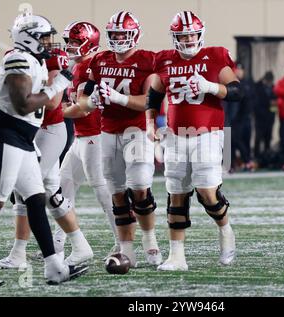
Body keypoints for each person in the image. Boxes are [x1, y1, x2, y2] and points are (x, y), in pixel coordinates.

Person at [0, 11, 87, 287]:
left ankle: (54, 267)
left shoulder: (34, 61)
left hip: (22, 139)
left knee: (35, 199)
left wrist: (55, 83)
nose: (49, 43)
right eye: (43, 38)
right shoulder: (17, 58)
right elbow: (22, 104)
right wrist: (57, 84)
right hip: (2, 135)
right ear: (28, 38)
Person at [146, 11, 241, 271]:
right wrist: (150, 121)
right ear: (174, 37)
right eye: (183, 35)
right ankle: (177, 256)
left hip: (208, 133)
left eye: (191, 34)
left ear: (200, 34)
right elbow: (154, 94)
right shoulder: (164, 60)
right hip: (176, 135)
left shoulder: (215, 56)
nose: (188, 39)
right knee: (175, 192)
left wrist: (211, 87)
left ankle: (225, 230)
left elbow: (237, 91)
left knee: (207, 192)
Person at [0, 44, 93, 269]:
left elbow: (53, 102)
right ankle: (81, 245)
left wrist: (23, 96)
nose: (47, 41)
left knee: (25, 191)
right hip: (33, 130)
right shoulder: (18, 58)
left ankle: (18, 254)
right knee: (51, 194)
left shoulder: (51, 60)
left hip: (49, 131)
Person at [79, 11, 161, 267]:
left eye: (122, 34)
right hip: (107, 131)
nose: (117, 39)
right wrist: (89, 100)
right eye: (114, 34)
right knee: (116, 192)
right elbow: (84, 95)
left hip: (135, 130)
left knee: (139, 187)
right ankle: (126, 250)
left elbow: (150, 99)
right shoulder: (99, 60)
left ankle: (150, 239)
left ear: (134, 35)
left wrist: (119, 98)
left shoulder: (147, 60)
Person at [57, 21, 119, 259]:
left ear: (88, 41)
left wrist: (55, 112)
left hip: (96, 136)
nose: (70, 46)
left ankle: (122, 243)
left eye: (74, 41)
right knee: (62, 188)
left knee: (102, 192)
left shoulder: (92, 66)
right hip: (81, 136)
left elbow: (82, 110)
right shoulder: (75, 67)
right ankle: (58, 244)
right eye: (69, 42)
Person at [253, 71, 276, 167]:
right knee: (258, 139)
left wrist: (272, 116)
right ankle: (256, 159)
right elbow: (255, 104)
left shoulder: (273, 88)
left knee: (268, 139)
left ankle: (266, 160)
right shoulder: (257, 87)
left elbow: (274, 105)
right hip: (259, 118)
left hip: (269, 119)